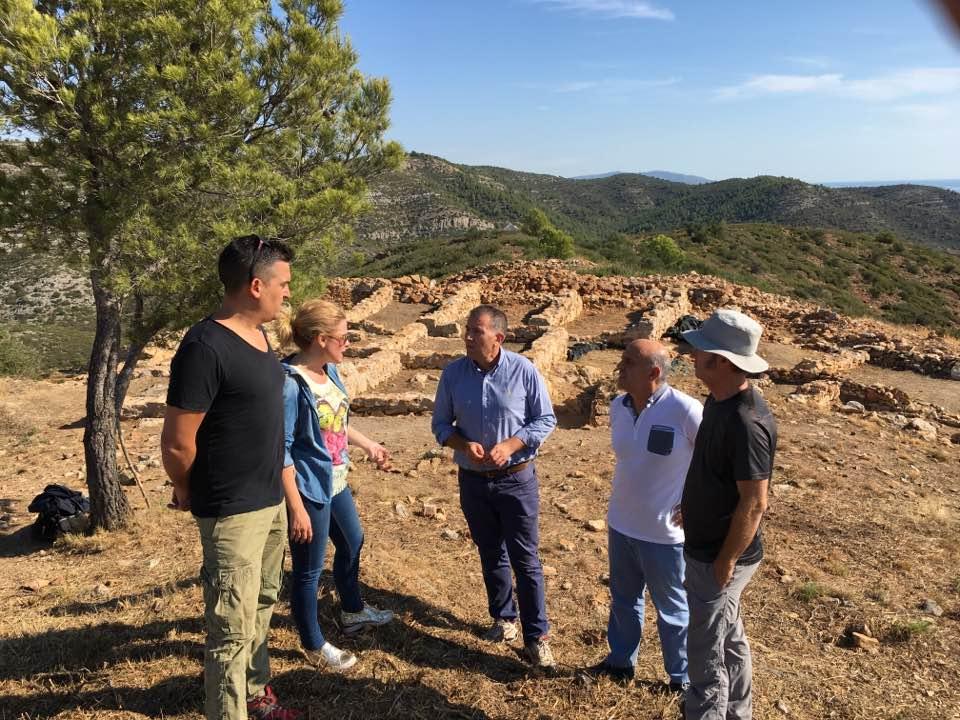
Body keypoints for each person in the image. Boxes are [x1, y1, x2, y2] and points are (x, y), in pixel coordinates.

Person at [161, 234, 301, 720]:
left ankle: (255, 693)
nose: (288, 292)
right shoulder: (204, 346)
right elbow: (178, 441)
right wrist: (185, 487)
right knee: (229, 628)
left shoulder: (259, 337)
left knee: (261, 603)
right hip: (232, 510)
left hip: (268, 500)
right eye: (283, 283)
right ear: (256, 286)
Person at [431, 305, 558, 668]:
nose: (468, 337)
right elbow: (440, 425)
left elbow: (545, 419)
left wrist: (512, 445)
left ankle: (537, 636)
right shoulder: (453, 374)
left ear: (498, 337)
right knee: (490, 552)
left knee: (526, 559)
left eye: (477, 331)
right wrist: (462, 444)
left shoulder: (523, 370)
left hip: (516, 480)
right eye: (467, 330)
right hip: (473, 481)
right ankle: (504, 619)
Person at [275, 298, 394, 671]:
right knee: (309, 570)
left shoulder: (330, 371)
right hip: (309, 487)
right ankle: (313, 644)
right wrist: (296, 507)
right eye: (343, 338)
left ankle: (352, 611)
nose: (348, 343)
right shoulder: (291, 384)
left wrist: (369, 444)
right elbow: (282, 450)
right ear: (320, 339)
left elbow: (338, 423)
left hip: (337, 479)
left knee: (352, 541)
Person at [678, 309, 777, 720]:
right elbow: (713, 469)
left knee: (707, 653)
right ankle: (738, 712)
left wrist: (727, 560)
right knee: (727, 636)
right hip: (710, 547)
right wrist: (691, 504)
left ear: (720, 361)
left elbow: (755, 502)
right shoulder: (719, 402)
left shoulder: (746, 422)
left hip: (719, 555)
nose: (693, 355)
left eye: (701, 350)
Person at [587, 339, 702, 691]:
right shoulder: (618, 407)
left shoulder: (685, 410)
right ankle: (620, 663)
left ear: (653, 372)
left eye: (628, 362)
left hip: (665, 534)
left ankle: (681, 680)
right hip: (622, 524)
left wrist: (696, 503)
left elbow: (716, 460)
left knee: (673, 610)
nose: (619, 367)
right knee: (624, 601)